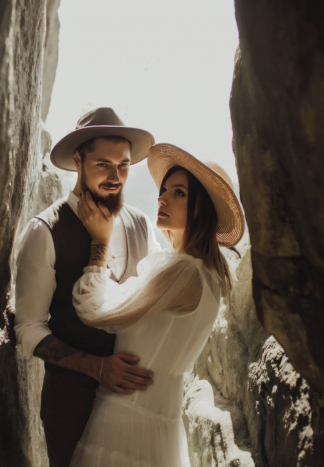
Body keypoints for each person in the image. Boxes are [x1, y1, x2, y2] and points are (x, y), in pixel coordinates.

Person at [69, 143, 246, 467]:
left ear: (200, 209)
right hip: (156, 424)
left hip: (125, 425)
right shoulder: (205, 273)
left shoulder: (184, 271)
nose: (161, 198)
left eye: (178, 193)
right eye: (164, 189)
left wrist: (100, 243)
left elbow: (94, 311)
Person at [13, 108, 162, 467]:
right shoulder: (44, 230)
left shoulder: (141, 224)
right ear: (78, 160)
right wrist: (97, 368)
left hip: (136, 399)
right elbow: (27, 330)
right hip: (71, 403)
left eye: (123, 165)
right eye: (103, 165)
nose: (116, 177)